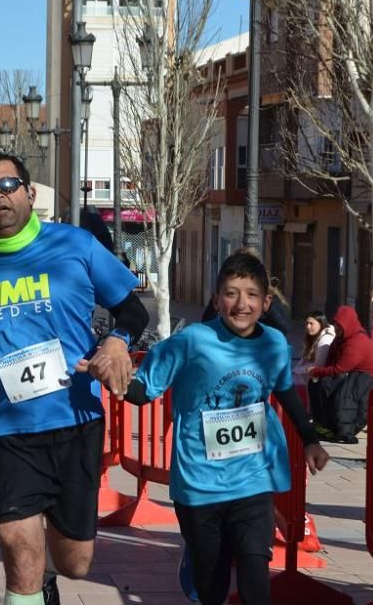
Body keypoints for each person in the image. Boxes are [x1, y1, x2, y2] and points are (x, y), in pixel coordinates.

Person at [0, 152, 149, 605]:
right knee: (18, 548)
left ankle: (50, 571)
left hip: (75, 423)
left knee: (75, 562)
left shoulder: (77, 245)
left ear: (30, 193)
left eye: (7, 185)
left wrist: (117, 342)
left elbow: (132, 308)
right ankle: (31, 583)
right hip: (2, 432)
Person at [120, 252, 330, 605]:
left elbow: (282, 391)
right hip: (200, 481)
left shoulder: (274, 344)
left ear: (265, 303)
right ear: (217, 300)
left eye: (250, 295)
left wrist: (310, 440)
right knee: (212, 584)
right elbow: (143, 392)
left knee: (254, 567)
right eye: (231, 293)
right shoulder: (192, 341)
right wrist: (114, 376)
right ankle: (199, 564)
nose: (241, 304)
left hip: (253, 477)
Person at [308, 305, 373, 444]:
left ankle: (342, 431)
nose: (337, 329)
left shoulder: (356, 343)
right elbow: (331, 359)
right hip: (347, 371)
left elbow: (338, 369)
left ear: (348, 325)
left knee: (341, 396)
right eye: (336, 325)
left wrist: (315, 371)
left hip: (360, 376)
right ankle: (322, 425)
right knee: (317, 384)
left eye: (340, 326)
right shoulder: (341, 338)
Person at [293, 311, 335, 387]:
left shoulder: (325, 340)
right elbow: (304, 359)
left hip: (323, 383)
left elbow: (319, 366)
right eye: (307, 323)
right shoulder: (312, 337)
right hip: (312, 380)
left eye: (311, 324)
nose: (308, 326)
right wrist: (295, 371)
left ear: (321, 324)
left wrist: (298, 371)